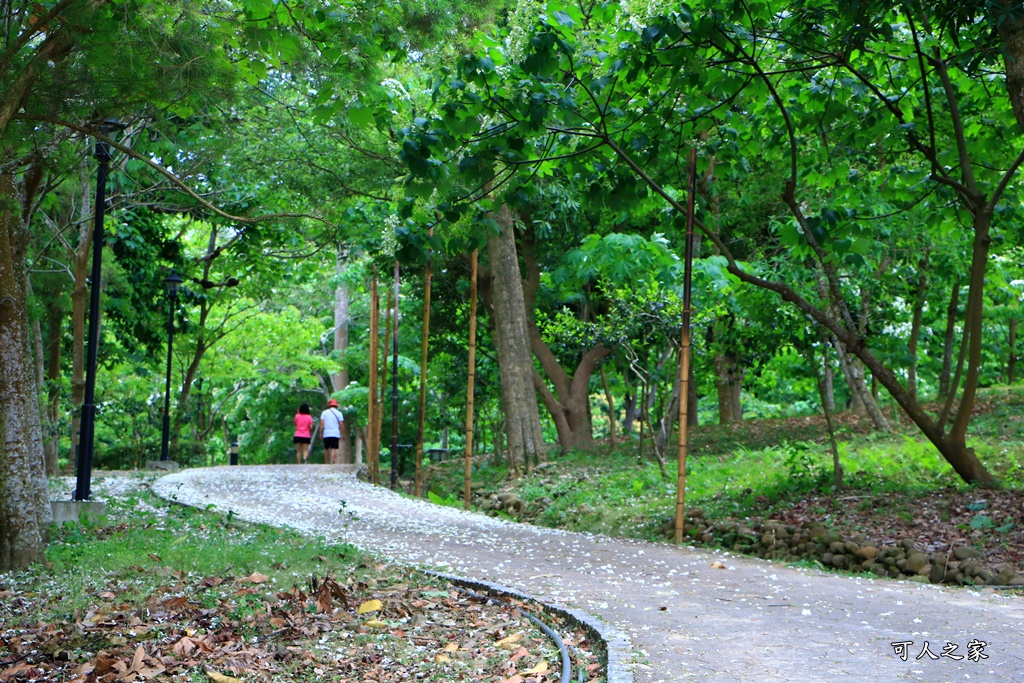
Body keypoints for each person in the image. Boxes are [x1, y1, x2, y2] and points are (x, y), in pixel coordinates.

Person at [315, 398, 344, 464]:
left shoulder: (324, 413)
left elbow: (321, 424)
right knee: (333, 449)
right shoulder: (339, 413)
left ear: (329, 405)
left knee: (326, 448)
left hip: (326, 433)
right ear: (336, 405)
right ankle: (331, 463)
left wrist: (320, 433)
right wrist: (343, 434)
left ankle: (325, 463)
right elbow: (341, 425)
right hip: (335, 433)